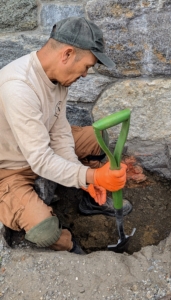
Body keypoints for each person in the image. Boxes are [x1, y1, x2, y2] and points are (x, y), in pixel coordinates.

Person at [0, 17, 132, 254]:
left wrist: (87, 182)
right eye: (87, 67)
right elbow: (40, 160)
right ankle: (73, 247)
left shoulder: (58, 79)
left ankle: (90, 201)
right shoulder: (18, 86)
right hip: (10, 168)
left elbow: (60, 134)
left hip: (39, 145)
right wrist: (92, 175)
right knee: (45, 232)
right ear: (67, 54)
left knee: (95, 137)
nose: (85, 75)